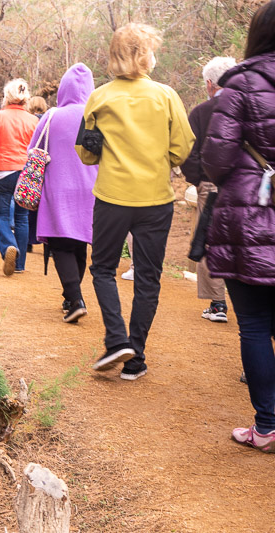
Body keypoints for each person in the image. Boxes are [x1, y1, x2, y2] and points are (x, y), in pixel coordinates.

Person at [77, 23, 195, 380]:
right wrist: (160, 162)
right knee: (148, 277)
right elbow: (182, 148)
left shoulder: (99, 97)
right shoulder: (167, 96)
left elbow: (85, 153)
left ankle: (116, 339)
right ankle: (136, 357)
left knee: (102, 268)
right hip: (157, 199)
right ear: (145, 55)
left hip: (113, 197)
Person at [201, 1, 275, 453]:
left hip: (248, 217)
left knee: (253, 323)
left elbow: (216, 160)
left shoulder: (240, 84)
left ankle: (266, 428)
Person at [32, 63, 97, 323]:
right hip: (91, 188)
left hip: (58, 188)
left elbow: (33, 150)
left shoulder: (51, 116)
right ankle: (71, 296)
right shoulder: (97, 116)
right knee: (79, 241)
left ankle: (75, 299)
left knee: (60, 243)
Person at [180, 56, 237, 323]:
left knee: (210, 241)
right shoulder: (252, 105)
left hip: (212, 187)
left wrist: (199, 181)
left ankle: (218, 304)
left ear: (209, 83)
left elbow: (188, 154)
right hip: (252, 187)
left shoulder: (201, 112)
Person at [0, 78, 39, 276]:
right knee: (22, 218)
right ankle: (20, 264)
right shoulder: (33, 120)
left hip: (2, 171)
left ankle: (8, 248)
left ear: (7, 96)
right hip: (25, 172)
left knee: (1, 216)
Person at [25, 96, 48, 252]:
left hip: (33, 166)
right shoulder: (49, 120)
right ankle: (49, 246)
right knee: (47, 206)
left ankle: (28, 242)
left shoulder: (28, 121)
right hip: (48, 166)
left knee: (29, 203)